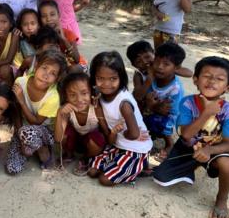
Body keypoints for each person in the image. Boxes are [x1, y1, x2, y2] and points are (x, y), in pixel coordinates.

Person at [153, 57, 229, 218]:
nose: (212, 81)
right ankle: (192, 166)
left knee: (228, 164)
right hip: (187, 147)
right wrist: (207, 112)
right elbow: (185, 135)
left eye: (219, 79)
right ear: (195, 80)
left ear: (228, 88)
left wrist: (208, 150)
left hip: (212, 150)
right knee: (160, 177)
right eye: (207, 76)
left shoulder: (228, 111)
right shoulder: (187, 103)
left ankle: (221, 200)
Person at [87, 51, 153, 185]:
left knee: (104, 180)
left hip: (135, 150)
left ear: (121, 77)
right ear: (94, 78)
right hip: (117, 145)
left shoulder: (124, 104)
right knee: (92, 171)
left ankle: (139, 168)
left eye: (113, 79)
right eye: (100, 78)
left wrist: (122, 133)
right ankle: (124, 168)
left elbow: (134, 134)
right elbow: (106, 126)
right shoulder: (99, 95)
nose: (106, 84)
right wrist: (114, 133)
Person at [6, 49, 67, 174]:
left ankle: (42, 149)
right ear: (36, 66)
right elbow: (16, 112)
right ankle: (28, 145)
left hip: (44, 132)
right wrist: (19, 136)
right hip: (22, 128)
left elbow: (37, 122)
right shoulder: (20, 83)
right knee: (13, 169)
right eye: (44, 68)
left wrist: (22, 101)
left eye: (53, 73)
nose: (46, 75)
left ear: (57, 78)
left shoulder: (53, 97)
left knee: (28, 132)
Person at [55, 72, 108, 173]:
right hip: (75, 142)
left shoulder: (96, 109)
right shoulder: (67, 110)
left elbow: (105, 132)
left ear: (91, 93)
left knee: (96, 138)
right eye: (72, 95)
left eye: (84, 93)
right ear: (66, 97)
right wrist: (59, 114)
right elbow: (58, 139)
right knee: (66, 132)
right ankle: (69, 154)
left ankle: (86, 158)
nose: (79, 100)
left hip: (89, 143)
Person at [143, 43, 186, 161]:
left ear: (176, 68)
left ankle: (169, 144)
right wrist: (152, 106)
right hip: (154, 109)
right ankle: (151, 135)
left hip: (169, 115)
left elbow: (174, 112)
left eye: (166, 64)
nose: (159, 67)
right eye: (157, 62)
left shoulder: (175, 88)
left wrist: (154, 106)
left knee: (164, 123)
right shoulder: (152, 78)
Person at [126, 40, 193, 109]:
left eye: (147, 57)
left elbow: (190, 73)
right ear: (134, 65)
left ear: (154, 53)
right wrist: (149, 79)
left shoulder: (160, 67)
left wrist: (172, 70)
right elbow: (138, 97)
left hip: (164, 106)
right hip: (145, 107)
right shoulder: (138, 75)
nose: (144, 62)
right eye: (138, 61)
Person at [38, 0, 87, 72]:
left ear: (59, 15)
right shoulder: (42, 35)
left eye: (52, 14)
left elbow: (77, 59)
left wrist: (64, 39)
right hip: (57, 66)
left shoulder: (68, 34)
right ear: (40, 19)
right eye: (44, 16)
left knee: (70, 69)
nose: (48, 19)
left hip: (76, 65)